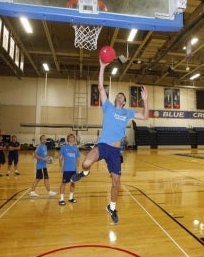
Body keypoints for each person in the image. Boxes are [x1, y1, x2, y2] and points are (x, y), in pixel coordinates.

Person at [70, 59, 149, 223]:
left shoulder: (127, 112)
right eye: (118, 95)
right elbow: (100, 87)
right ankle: (84, 172)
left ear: (124, 101)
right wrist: (102, 67)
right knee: (85, 164)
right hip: (103, 145)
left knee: (116, 182)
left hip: (115, 151)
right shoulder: (108, 107)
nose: (119, 96)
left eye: (122, 96)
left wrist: (145, 100)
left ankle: (112, 208)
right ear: (115, 100)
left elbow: (145, 116)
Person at [58, 133, 80, 206]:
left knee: (73, 183)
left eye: (73, 138)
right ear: (68, 139)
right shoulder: (64, 147)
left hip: (73, 169)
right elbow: (60, 158)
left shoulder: (76, 148)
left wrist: (77, 167)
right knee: (63, 183)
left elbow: (78, 158)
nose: (71, 139)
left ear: (74, 139)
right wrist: (61, 166)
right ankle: (61, 199)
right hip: (66, 169)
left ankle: (71, 198)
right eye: (70, 138)